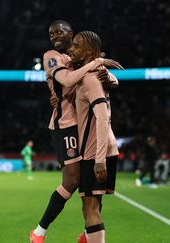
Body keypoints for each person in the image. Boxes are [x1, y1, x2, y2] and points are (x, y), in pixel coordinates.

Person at [30, 20, 122, 243]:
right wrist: (98, 62)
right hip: (66, 125)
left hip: (85, 126)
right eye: (51, 34)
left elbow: (113, 81)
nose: (55, 36)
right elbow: (68, 79)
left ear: (71, 34)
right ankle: (39, 232)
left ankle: (90, 233)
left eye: (59, 32)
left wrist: (107, 76)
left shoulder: (78, 56)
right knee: (72, 180)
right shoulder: (52, 56)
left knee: (91, 188)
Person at [70, 30, 120, 243]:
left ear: (89, 51)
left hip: (95, 151)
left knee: (91, 209)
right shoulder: (93, 74)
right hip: (101, 147)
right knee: (90, 206)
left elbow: (102, 118)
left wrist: (99, 160)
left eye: (76, 46)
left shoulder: (91, 79)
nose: (71, 49)